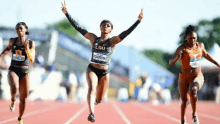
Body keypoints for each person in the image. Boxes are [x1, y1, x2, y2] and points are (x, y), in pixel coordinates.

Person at [61, 0, 143, 122]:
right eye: (103, 25)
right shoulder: (93, 38)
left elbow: (125, 33)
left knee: (99, 99)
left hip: (105, 73)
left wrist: (138, 21)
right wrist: (67, 14)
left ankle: (96, 102)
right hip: (92, 69)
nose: (105, 26)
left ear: (110, 30)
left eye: (108, 26)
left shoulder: (112, 41)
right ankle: (91, 113)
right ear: (100, 27)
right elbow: (78, 28)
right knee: (91, 88)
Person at [169, 25, 220, 124]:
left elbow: (207, 55)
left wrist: (217, 63)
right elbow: (171, 62)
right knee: (185, 101)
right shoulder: (182, 48)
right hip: (184, 78)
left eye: (195, 38)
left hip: (197, 75)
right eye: (191, 38)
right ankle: (183, 120)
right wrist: (176, 58)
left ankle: (194, 114)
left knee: (193, 90)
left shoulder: (200, 46)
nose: (193, 40)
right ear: (186, 38)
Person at [0, 22, 35, 124]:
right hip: (14, 69)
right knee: (14, 87)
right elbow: (8, 48)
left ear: (25, 30)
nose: (19, 31)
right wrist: (1, 55)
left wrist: (27, 49)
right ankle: (13, 100)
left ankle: (20, 118)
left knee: (24, 98)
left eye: (21, 29)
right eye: (17, 29)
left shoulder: (31, 43)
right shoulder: (12, 40)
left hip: (25, 72)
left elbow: (32, 59)